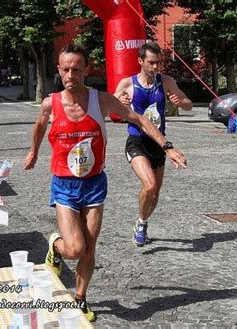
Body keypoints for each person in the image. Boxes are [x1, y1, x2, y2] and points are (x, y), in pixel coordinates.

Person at [22, 44, 187, 322]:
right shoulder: (50, 103)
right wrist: (34, 150)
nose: (71, 74)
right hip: (64, 184)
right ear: (59, 71)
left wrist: (167, 146)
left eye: (77, 69)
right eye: (66, 69)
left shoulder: (102, 100)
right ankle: (56, 246)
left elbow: (140, 120)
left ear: (86, 70)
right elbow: (40, 124)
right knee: (74, 248)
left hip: (94, 184)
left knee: (90, 246)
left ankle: (80, 298)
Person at [114, 41, 193, 247]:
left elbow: (188, 105)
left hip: (159, 143)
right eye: (151, 63)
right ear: (140, 61)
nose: (156, 67)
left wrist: (180, 102)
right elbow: (109, 109)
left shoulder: (165, 81)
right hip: (137, 141)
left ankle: (142, 221)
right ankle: (140, 226)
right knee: (149, 185)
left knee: (155, 191)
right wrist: (119, 105)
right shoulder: (127, 84)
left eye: (158, 63)